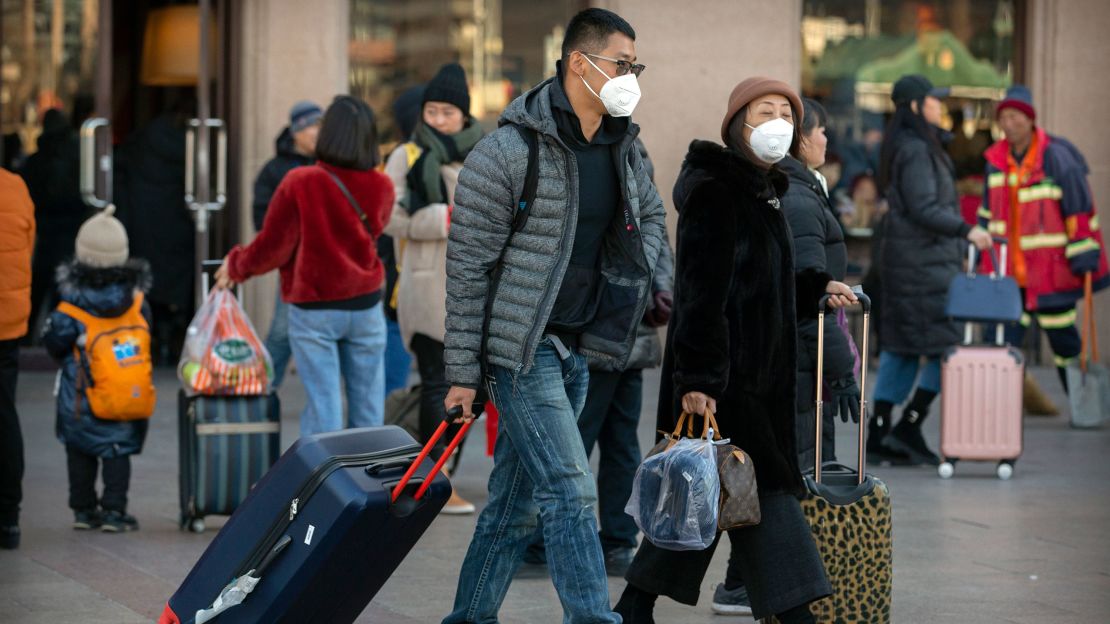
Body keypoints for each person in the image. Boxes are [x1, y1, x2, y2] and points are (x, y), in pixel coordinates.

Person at [440, 8, 667, 623]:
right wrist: (462, 372)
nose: (631, 77)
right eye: (622, 64)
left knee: (515, 508)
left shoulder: (625, 147)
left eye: (635, 66)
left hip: (579, 349)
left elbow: (651, 218)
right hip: (520, 351)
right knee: (571, 491)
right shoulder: (508, 151)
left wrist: (652, 282)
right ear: (578, 63)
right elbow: (466, 270)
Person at [614, 78, 853, 624]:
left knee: (710, 493)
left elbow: (760, 284)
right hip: (728, 383)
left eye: (786, 115)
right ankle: (798, 617)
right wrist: (698, 379)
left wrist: (815, 289)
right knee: (764, 495)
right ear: (737, 124)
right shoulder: (718, 192)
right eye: (765, 111)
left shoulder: (765, 190)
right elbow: (702, 291)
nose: (778, 123)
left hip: (755, 379)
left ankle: (634, 605)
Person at [518, 140, 673, 580]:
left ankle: (599, 541)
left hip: (622, 327)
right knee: (585, 439)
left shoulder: (625, 151)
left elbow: (654, 234)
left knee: (603, 439)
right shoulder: (603, 150)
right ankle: (592, 541)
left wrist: (661, 289)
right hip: (595, 327)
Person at [216, 96, 394, 436]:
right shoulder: (382, 185)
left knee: (324, 405)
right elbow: (378, 230)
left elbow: (273, 247)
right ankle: (366, 483)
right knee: (369, 409)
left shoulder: (301, 182)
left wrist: (237, 265)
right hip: (367, 305)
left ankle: (323, 484)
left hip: (315, 308)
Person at [869, 75, 992, 467]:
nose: (941, 106)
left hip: (916, 263)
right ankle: (907, 424)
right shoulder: (918, 150)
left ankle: (880, 432)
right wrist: (966, 229)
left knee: (903, 348)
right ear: (916, 106)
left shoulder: (910, 146)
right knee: (946, 349)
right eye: (933, 101)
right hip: (922, 265)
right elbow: (924, 207)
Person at [384, 64, 484, 515]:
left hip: (475, 285)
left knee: (470, 388)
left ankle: (436, 472)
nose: (439, 119)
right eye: (432, 111)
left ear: (464, 115)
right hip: (426, 286)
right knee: (437, 383)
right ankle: (435, 479)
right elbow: (388, 218)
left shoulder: (483, 153)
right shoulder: (406, 155)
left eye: (447, 112)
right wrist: (441, 218)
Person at [980, 85, 1109, 391]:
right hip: (1009, 276)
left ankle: (1083, 402)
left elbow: (1079, 209)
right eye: (1004, 118)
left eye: (1015, 116)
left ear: (1030, 119)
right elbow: (987, 217)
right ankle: (997, 410)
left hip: (1051, 272)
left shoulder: (1057, 158)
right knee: (1000, 342)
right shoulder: (995, 161)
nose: (1009, 124)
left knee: (1064, 343)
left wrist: (1084, 252)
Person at [41, 207, 153, 533]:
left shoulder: (70, 301)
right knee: (117, 450)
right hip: (125, 390)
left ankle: (84, 510)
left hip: (80, 395)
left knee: (80, 449)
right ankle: (115, 511)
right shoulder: (136, 299)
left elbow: (54, 342)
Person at [251, 100, 322, 389]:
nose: (315, 133)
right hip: (296, 264)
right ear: (295, 132)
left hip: (334, 261)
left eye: (320, 125)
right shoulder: (275, 170)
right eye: (309, 127)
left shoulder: (334, 163)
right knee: (282, 331)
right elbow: (262, 218)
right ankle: (263, 390)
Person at [20, 109, 85, 335]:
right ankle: (61, 333)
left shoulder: (37, 160)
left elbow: (28, 194)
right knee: (63, 284)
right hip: (71, 226)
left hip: (45, 227)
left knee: (38, 282)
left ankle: (26, 335)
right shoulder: (79, 155)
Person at [380, 84, 424, 395]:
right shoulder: (404, 156)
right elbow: (390, 218)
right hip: (406, 273)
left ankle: (391, 432)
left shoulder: (400, 156)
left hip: (404, 274)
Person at [0, 168, 35, 549]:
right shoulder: (15, 185)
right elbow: (27, 248)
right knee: (5, 413)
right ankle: (8, 518)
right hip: (8, 320)